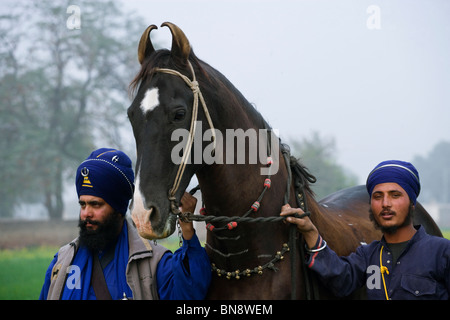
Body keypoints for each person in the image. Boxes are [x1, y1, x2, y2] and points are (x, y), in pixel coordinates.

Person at [39, 148, 211, 300]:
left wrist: (187, 228)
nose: (86, 213)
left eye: (95, 204)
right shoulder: (62, 262)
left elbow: (190, 293)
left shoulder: (153, 263)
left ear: (118, 209)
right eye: (82, 204)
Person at [281, 160, 450, 300]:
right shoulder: (368, 256)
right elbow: (340, 279)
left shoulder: (442, 253)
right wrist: (311, 232)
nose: (385, 203)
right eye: (378, 196)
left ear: (412, 203)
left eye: (395, 195)